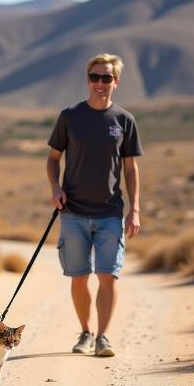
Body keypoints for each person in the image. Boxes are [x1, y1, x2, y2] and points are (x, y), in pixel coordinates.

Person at [46, 53, 142, 357]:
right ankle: (85, 333)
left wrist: (134, 209)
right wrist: (56, 188)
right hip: (73, 212)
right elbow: (52, 159)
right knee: (78, 277)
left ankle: (103, 337)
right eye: (95, 77)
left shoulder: (124, 120)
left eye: (107, 78)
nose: (101, 83)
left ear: (116, 82)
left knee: (108, 275)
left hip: (110, 213)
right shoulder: (70, 116)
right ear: (88, 80)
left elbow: (130, 168)